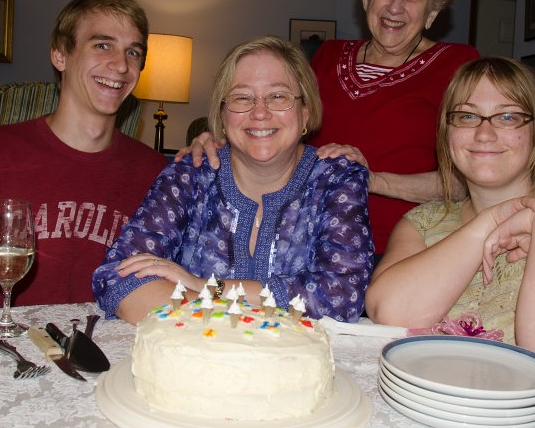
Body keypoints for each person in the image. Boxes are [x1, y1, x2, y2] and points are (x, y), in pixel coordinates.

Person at [181, 0, 478, 256]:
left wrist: (370, 179)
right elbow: (277, 126)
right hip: (304, 241)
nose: (395, 6)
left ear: (431, 13)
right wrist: (220, 143)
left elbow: (465, 182)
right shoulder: (329, 55)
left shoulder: (457, 65)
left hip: (400, 250)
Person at [365, 57, 535, 398]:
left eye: (508, 116)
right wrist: (491, 222)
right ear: (446, 133)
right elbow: (390, 314)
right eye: (466, 116)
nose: (484, 133)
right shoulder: (421, 224)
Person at [92, 36, 374, 324]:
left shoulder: (337, 179)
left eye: (278, 96)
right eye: (242, 98)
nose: (260, 112)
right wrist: (235, 310)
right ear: (223, 115)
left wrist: (206, 288)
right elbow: (119, 278)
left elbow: (341, 296)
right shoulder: (190, 175)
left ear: (306, 111)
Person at [0, 0, 167, 319]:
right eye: (102, 45)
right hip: (5, 347)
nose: (121, 65)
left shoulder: (157, 173)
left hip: (109, 349)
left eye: (133, 52)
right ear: (60, 55)